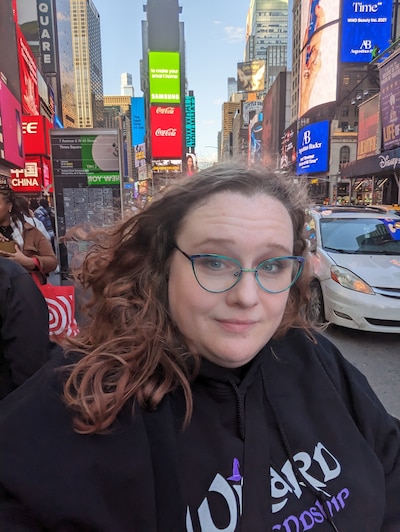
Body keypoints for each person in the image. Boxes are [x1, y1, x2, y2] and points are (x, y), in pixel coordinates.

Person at [0, 163, 399, 531]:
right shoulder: (79, 399)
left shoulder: (312, 357)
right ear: (161, 265)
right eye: (214, 261)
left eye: (272, 265)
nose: (247, 296)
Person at [0, 258, 59, 400]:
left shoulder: (9, 276)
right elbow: (31, 366)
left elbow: (51, 261)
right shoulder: (9, 276)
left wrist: (29, 261)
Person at [0, 185, 57, 284]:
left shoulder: (30, 231)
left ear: (9, 206)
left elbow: (52, 262)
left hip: (23, 291)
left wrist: (28, 262)